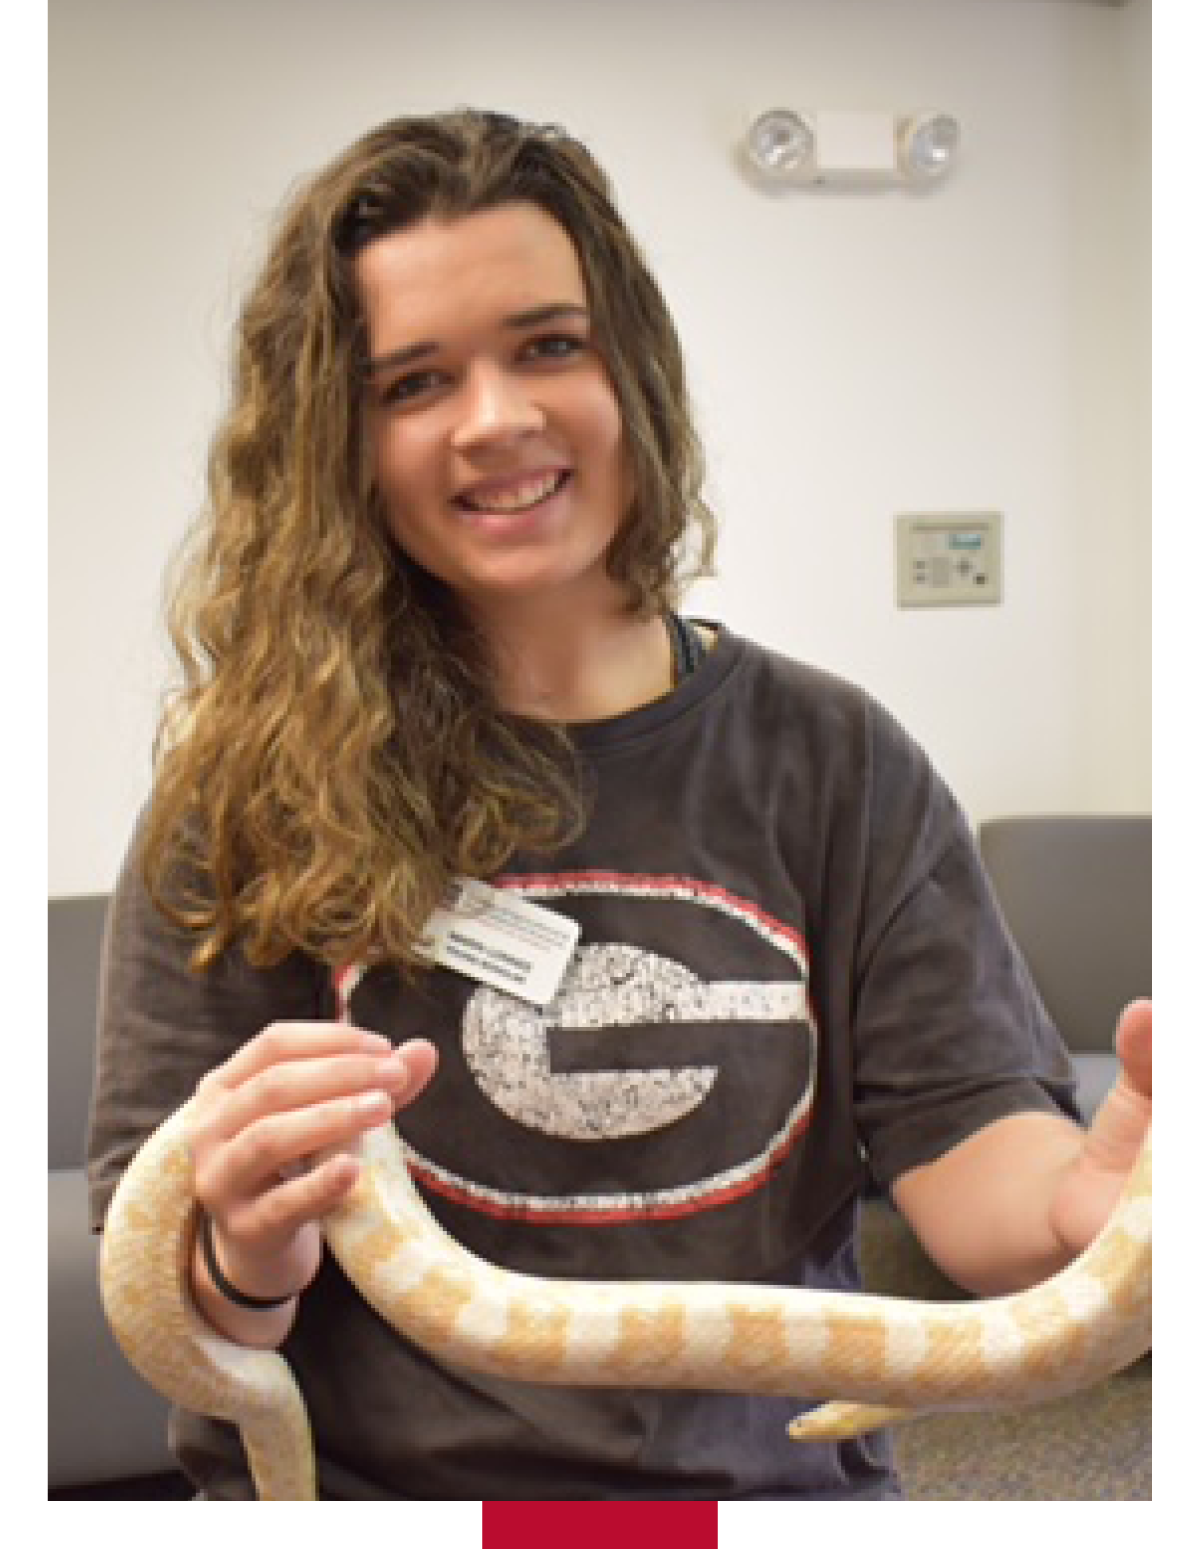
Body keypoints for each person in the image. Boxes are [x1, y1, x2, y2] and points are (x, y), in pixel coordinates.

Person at [86, 108, 1152, 1501]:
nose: (497, 419)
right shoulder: (253, 789)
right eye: (413, 380)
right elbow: (172, 1291)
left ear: (629, 364)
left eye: (546, 344)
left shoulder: (837, 759)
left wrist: (1102, 1205)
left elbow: (981, 1177)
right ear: (335, 440)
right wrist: (242, 1249)